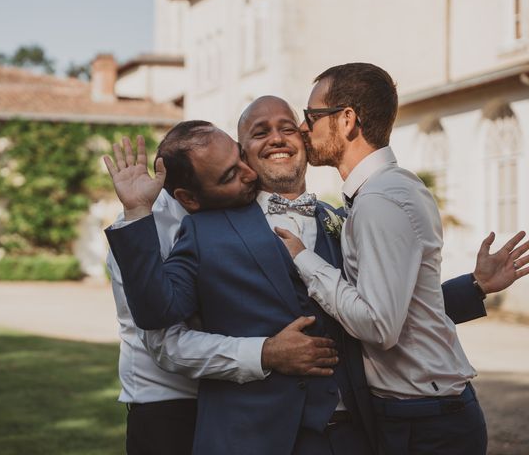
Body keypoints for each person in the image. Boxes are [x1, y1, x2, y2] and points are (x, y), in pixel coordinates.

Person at [103, 98, 527, 454]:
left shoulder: (347, 220)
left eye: (287, 126)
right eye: (259, 132)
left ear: (304, 141)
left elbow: (386, 312)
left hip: (351, 434)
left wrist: (475, 286)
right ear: (244, 152)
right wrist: (137, 214)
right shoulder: (201, 228)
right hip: (250, 436)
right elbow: (159, 314)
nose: (276, 137)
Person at [276, 62, 529, 455]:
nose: (304, 128)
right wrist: (474, 287)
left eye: (312, 116)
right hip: (417, 414)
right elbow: (406, 306)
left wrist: (305, 261)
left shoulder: (379, 201)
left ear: (347, 120)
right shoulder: (393, 187)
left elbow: (380, 325)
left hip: (426, 423)